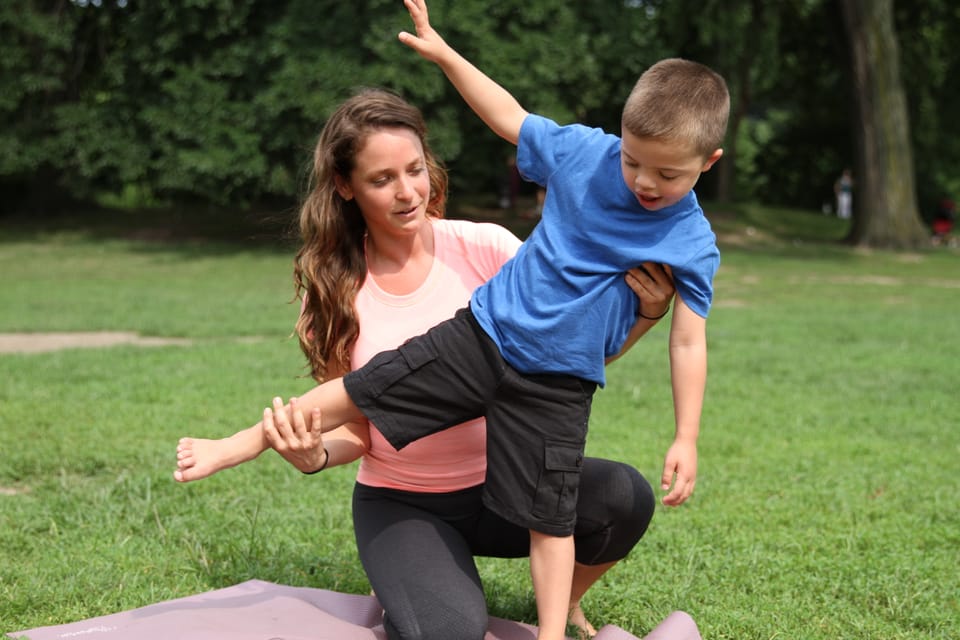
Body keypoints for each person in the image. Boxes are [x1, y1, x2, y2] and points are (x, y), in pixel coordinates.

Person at [183, 2, 727, 637]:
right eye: (634, 161)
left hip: (551, 391)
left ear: (708, 163)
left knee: (558, 512)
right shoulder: (585, 154)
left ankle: (553, 626)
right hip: (476, 358)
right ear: (347, 186)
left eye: (668, 173)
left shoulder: (680, 243)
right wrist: (445, 54)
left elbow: (677, 341)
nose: (643, 181)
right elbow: (508, 116)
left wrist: (681, 422)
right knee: (374, 384)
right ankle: (241, 443)